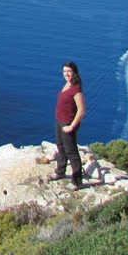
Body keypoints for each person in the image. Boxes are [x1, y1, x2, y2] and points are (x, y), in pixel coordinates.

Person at [49, 61, 85, 190]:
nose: (66, 73)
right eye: (64, 71)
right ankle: (60, 171)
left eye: (69, 71)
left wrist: (72, 126)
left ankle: (77, 181)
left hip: (68, 123)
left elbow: (81, 110)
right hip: (60, 121)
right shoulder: (68, 84)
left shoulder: (76, 88)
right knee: (60, 147)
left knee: (71, 151)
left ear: (74, 72)